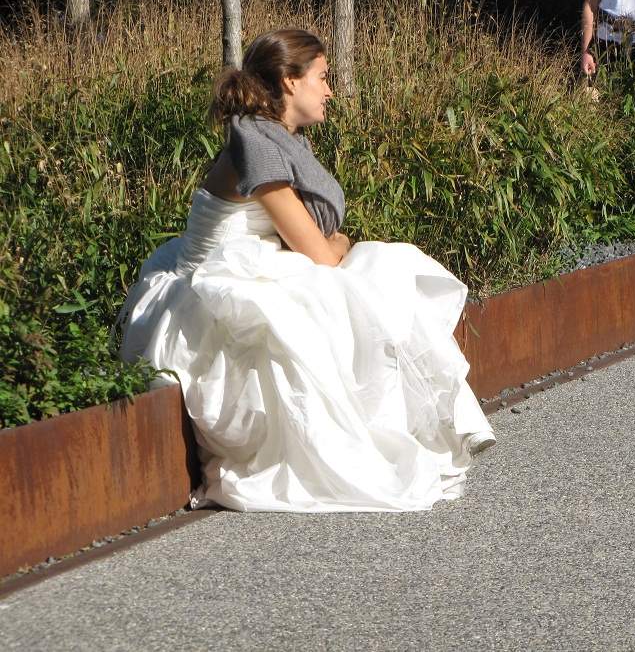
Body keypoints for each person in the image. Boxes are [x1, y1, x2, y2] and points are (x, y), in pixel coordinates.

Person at [118, 29, 496, 513]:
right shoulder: (254, 143)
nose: (330, 89)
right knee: (361, 276)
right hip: (215, 284)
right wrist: (339, 242)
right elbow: (318, 250)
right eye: (322, 77)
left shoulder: (271, 135)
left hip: (251, 261)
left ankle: (440, 419)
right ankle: (425, 424)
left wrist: (338, 246)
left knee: (378, 267)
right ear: (290, 82)